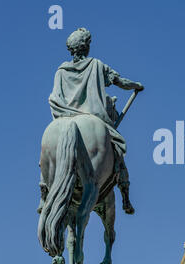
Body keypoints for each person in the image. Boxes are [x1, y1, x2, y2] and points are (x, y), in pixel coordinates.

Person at [39, 27, 143, 214]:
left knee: (48, 152)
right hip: (94, 119)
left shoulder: (61, 71)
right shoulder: (96, 65)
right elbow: (120, 82)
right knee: (118, 150)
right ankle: (126, 198)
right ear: (85, 46)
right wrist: (136, 85)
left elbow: (55, 97)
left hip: (64, 116)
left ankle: (43, 192)